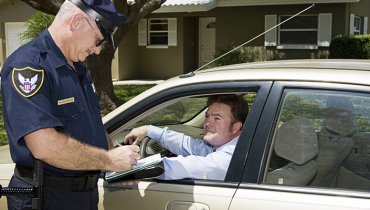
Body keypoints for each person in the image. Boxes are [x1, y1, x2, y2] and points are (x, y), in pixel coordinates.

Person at [0, 0, 140, 209]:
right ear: (76, 22)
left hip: (81, 195)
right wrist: (108, 160)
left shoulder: (77, 68)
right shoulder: (29, 67)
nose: (98, 50)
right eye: (98, 40)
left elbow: (87, 124)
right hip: (47, 198)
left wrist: (115, 153)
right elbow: (43, 145)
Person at [124, 94, 249, 180]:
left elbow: (179, 167)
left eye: (217, 118)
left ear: (235, 127)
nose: (208, 123)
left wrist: (126, 163)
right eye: (207, 116)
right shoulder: (232, 145)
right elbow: (191, 146)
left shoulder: (227, 159)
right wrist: (149, 130)